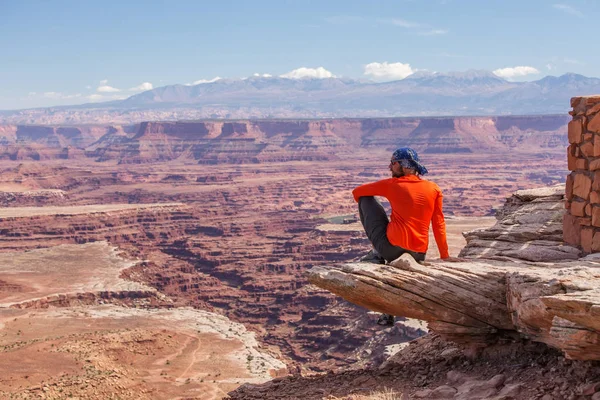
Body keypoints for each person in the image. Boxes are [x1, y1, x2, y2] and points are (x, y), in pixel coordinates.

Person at [352, 147, 450, 326]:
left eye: (393, 163)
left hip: (391, 250)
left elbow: (357, 192)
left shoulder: (392, 185)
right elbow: (438, 224)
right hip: (419, 253)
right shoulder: (434, 188)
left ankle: (377, 254)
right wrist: (445, 256)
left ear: (403, 166)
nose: (390, 167)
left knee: (366, 199)